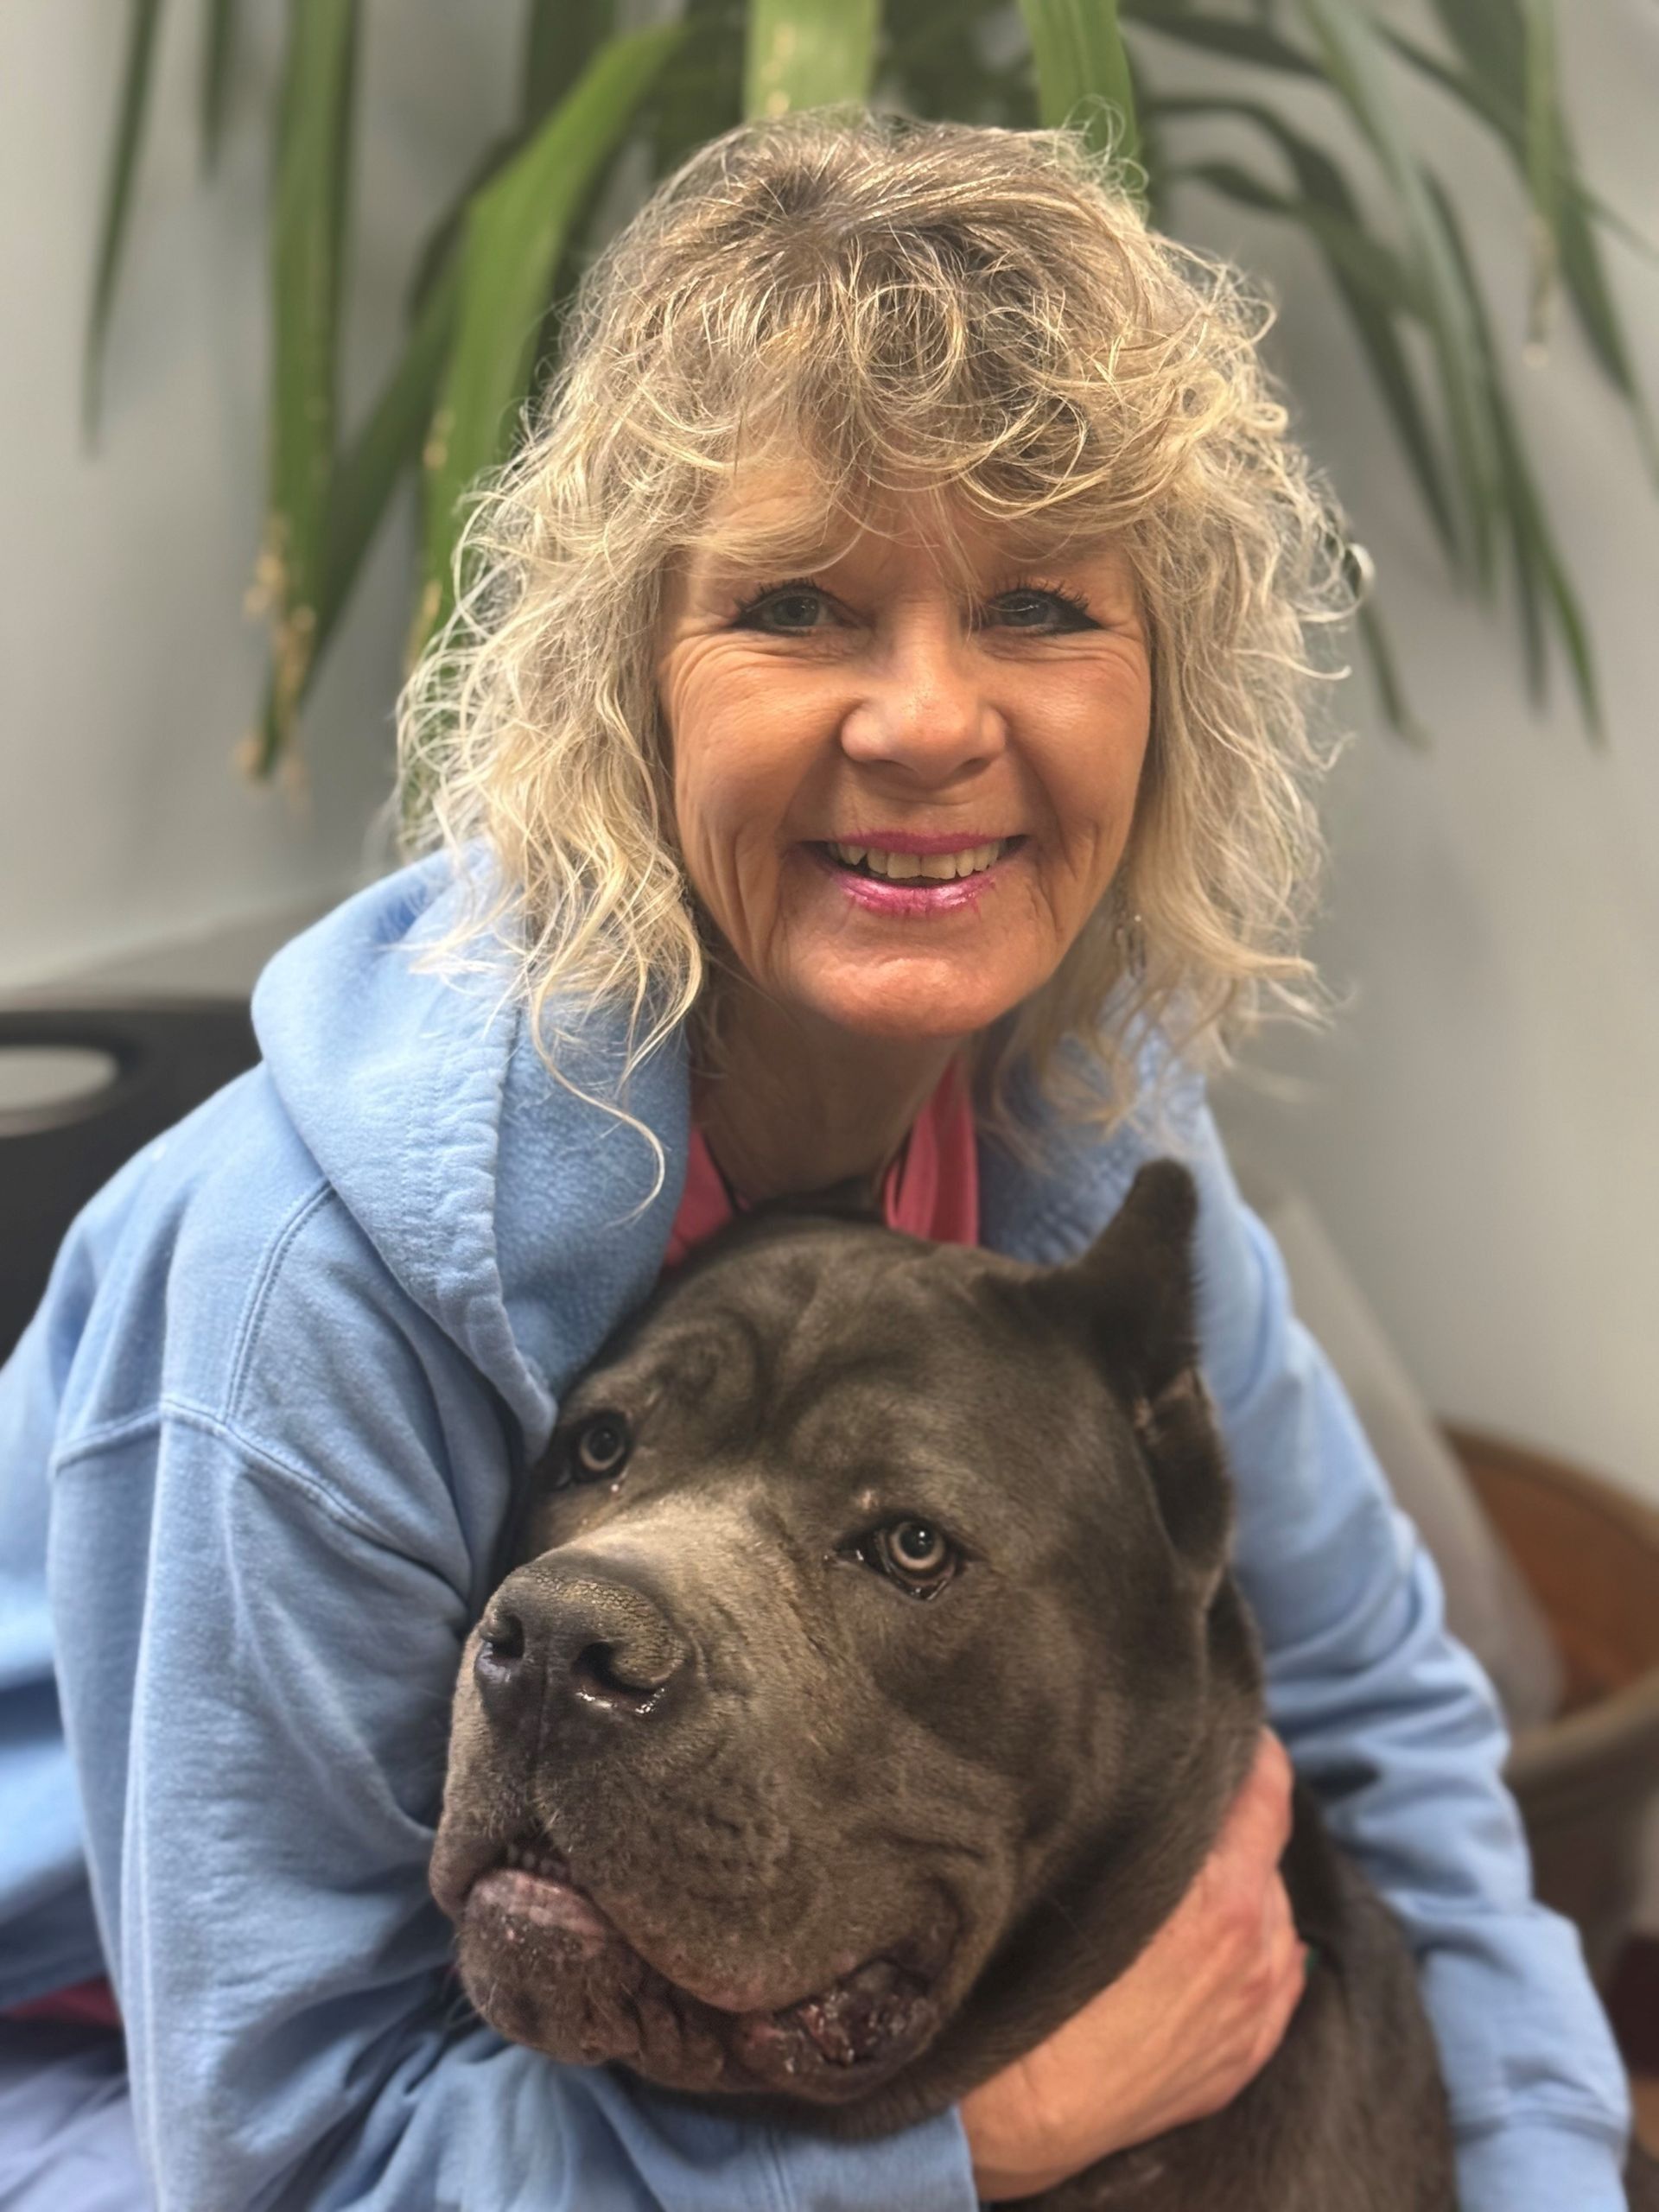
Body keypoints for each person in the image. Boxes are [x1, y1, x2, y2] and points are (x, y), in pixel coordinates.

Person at [0, 112, 1632, 2211]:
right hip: (102, 2062)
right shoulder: (298, 1280)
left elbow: (1391, 1727)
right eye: (799, 606)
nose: (929, 718)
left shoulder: (1073, 1115)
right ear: (633, 679)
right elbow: (283, 2160)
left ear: (1170, 703)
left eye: (1041, 603)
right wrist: (996, 2129)